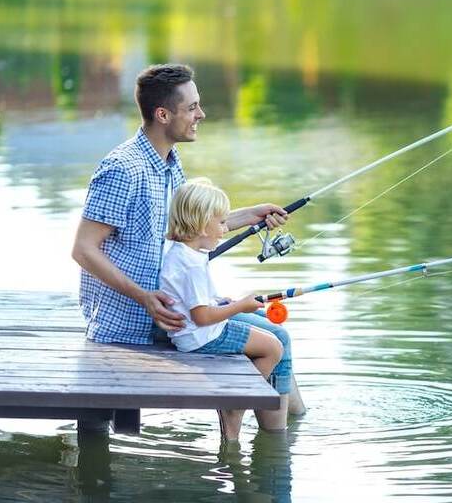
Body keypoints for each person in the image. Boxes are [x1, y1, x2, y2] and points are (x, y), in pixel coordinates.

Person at [71, 64, 305, 436]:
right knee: (274, 343)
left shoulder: (169, 164)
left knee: (279, 338)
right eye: (193, 107)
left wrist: (251, 214)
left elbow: (188, 229)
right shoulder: (123, 169)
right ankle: (274, 448)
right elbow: (84, 250)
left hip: (174, 311)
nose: (201, 115)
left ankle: (286, 433)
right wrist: (145, 298)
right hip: (134, 322)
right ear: (163, 114)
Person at [161, 178, 297, 436]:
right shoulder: (192, 265)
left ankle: (240, 402)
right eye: (221, 223)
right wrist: (239, 306)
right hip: (203, 336)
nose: (225, 229)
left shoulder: (182, 253)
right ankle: (237, 405)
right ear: (202, 226)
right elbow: (201, 317)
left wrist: (222, 302)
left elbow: (195, 301)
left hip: (193, 333)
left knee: (270, 337)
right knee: (273, 347)